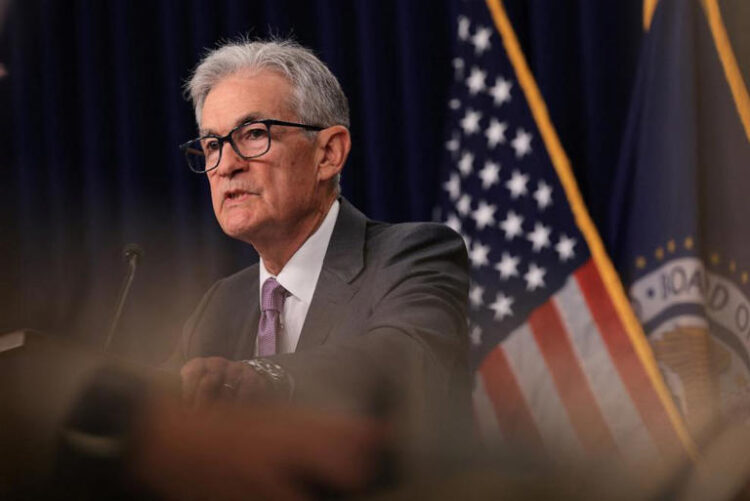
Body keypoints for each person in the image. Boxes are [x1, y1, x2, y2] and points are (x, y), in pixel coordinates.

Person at [169, 38, 471, 434]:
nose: (226, 165)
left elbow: (399, 366)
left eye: (254, 134)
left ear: (328, 153)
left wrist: (266, 377)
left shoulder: (413, 256)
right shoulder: (218, 307)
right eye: (212, 145)